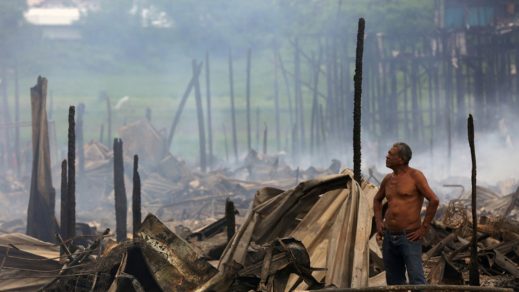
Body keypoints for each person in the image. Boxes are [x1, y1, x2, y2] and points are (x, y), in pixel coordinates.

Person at [373, 142, 439, 285]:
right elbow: (377, 200)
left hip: (409, 236)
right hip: (389, 237)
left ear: (401, 159)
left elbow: (433, 200)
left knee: (416, 279)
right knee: (394, 281)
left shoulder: (415, 176)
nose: (387, 156)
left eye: (391, 154)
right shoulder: (388, 179)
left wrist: (423, 228)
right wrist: (379, 222)